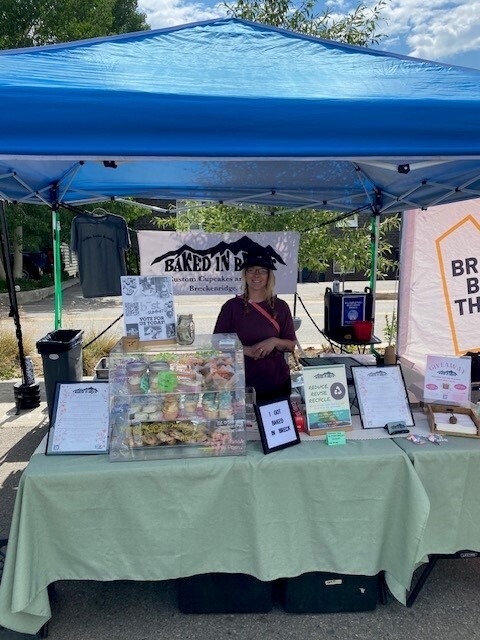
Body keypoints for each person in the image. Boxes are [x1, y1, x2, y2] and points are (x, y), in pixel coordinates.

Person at [213, 251, 296, 403]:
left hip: (276, 383)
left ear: (269, 276)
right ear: (245, 274)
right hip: (240, 383)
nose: (257, 275)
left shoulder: (281, 307)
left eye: (263, 271)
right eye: (251, 270)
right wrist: (246, 350)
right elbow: (217, 342)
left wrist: (274, 341)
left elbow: (291, 345)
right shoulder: (231, 307)